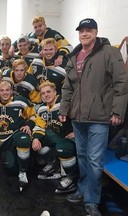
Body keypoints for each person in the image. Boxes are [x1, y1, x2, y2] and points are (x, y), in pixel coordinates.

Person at [59, 18, 128, 216]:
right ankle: (83, 189)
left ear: (96, 32)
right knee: (82, 157)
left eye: (89, 30)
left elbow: (121, 83)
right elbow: (68, 87)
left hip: (99, 117)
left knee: (95, 161)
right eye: (82, 30)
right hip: (78, 118)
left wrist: (117, 111)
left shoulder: (109, 53)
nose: (85, 33)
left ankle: (92, 200)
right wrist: (64, 110)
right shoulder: (74, 57)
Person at [32, 81, 78, 193]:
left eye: (48, 92)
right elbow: (39, 126)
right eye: (43, 93)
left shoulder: (65, 103)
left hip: (70, 138)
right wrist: (36, 139)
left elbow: (80, 116)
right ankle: (54, 164)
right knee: (37, 141)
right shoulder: (42, 109)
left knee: (62, 148)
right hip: (57, 138)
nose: (46, 95)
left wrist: (76, 132)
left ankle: (72, 177)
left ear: (55, 92)